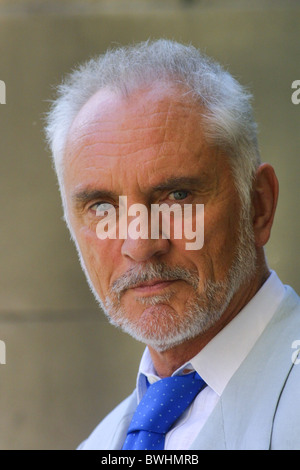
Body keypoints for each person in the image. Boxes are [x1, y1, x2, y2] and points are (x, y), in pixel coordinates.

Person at [45, 39, 300, 450]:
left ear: (259, 207)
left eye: (177, 196)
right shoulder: (99, 444)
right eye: (101, 206)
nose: (140, 244)